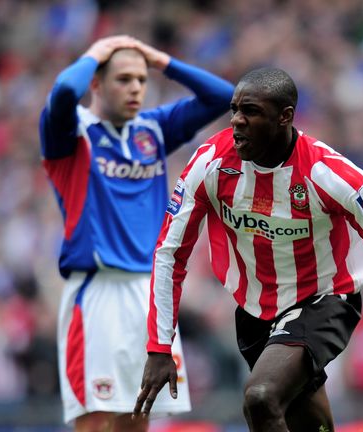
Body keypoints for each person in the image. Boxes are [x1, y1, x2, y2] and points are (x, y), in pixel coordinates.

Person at [132, 67, 363, 431]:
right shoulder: (210, 163)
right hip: (254, 312)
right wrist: (159, 346)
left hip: (323, 300)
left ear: (285, 117)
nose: (237, 121)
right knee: (308, 425)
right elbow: (170, 253)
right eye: (234, 110)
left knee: (261, 396)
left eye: (251, 111)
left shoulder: (328, 173)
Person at [38, 35, 234, 431]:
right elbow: (63, 92)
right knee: (95, 422)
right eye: (123, 79)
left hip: (149, 297)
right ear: (96, 83)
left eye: (141, 80)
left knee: (137, 420)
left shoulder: (152, 130)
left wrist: (161, 60)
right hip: (98, 295)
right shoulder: (72, 134)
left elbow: (223, 96)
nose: (136, 89)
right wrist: (97, 52)